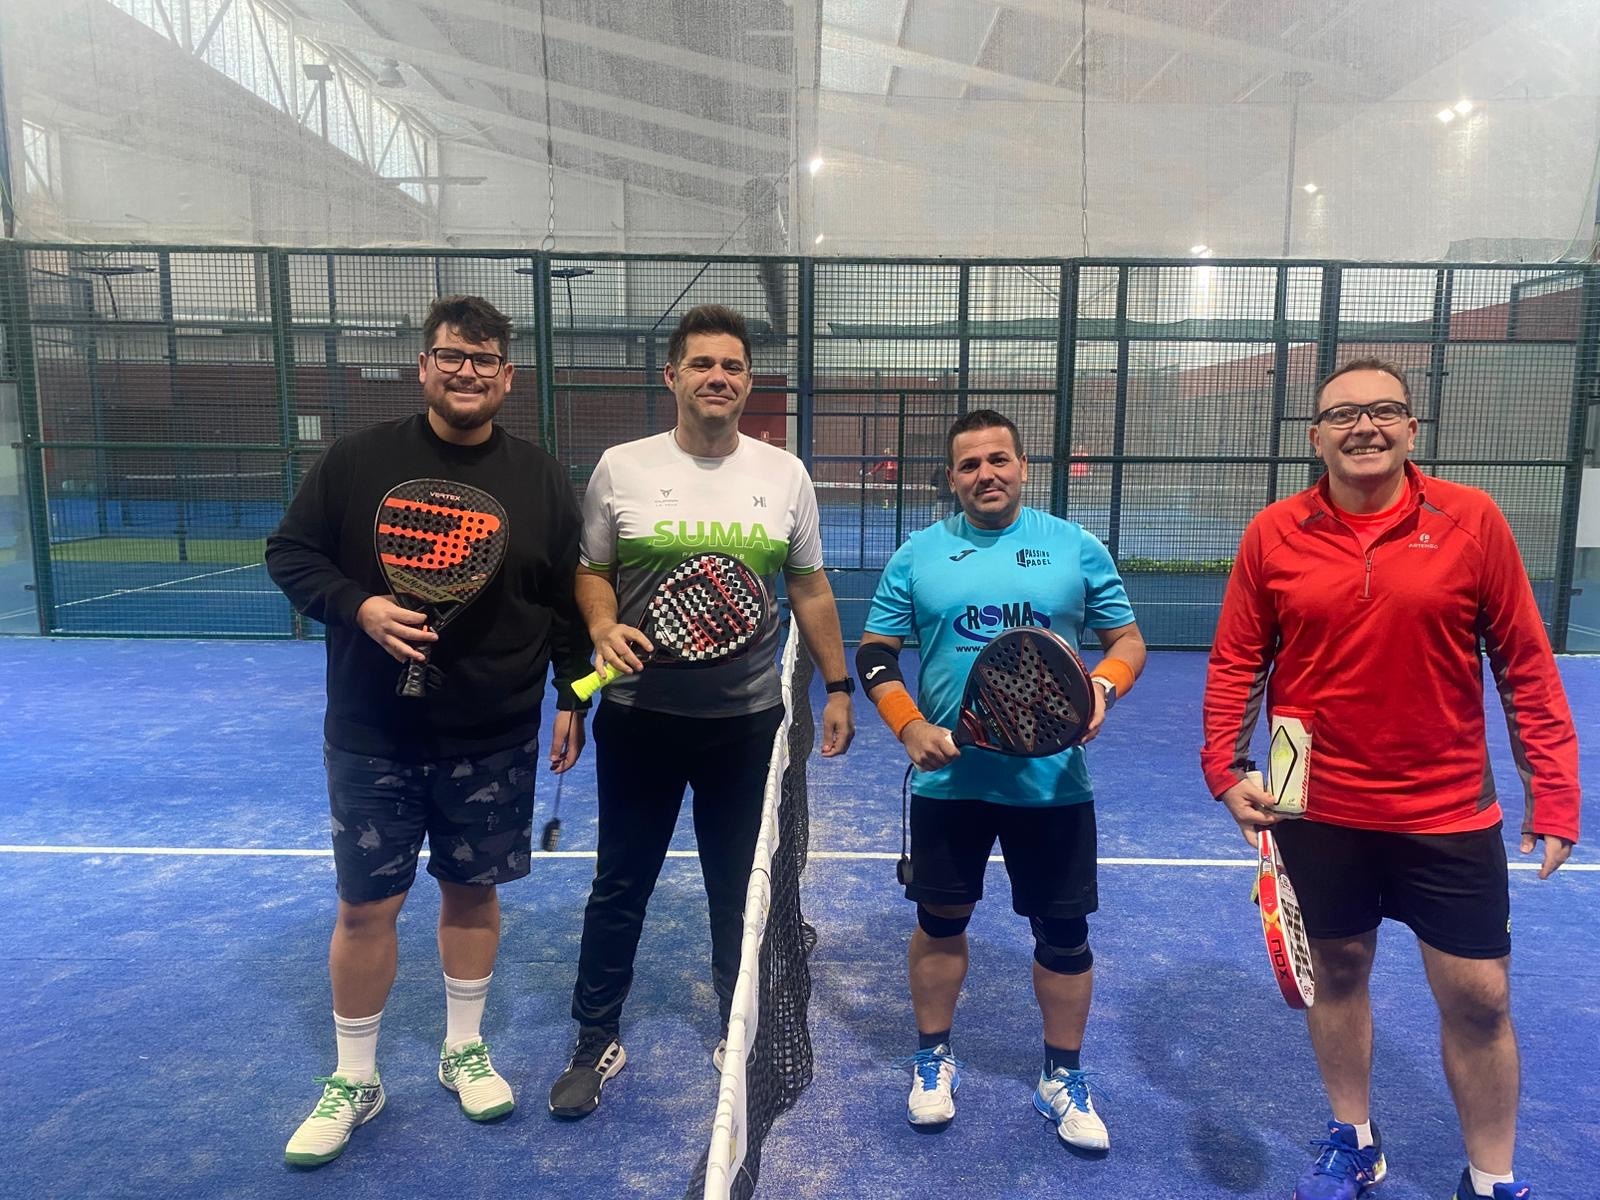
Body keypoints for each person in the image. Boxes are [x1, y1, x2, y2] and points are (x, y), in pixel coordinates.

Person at [1200, 359, 1581, 1200]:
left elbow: (1524, 660)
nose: (1364, 427)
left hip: (1445, 804)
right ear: (1316, 437)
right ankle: (1355, 1139)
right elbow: (1237, 660)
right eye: (1344, 415)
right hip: (1308, 795)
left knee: (1481, 997)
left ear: (1412, 428)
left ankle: (1490, 1178)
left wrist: (1554, 790)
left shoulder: (1472, 520)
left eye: (1383, 411)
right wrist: (1225, 768)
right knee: (1337, 971)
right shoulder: (1273, 532)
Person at [266, 295, 592, 1165]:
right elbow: (290, 554)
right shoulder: (356, 461)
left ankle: (462, 1049)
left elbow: (564, 600)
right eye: (451, 355)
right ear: (424, 366)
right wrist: (359, 606)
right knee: (365, 907)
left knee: (472, 893)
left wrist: (574, 696)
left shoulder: (539, 477)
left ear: (507, 377)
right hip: (372, 732)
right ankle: (355, 1078)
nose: (466, 372)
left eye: (484, 360)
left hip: (493, 733)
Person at [548, 304, 857, 1118]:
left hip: (745, 725)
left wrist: (837, 685)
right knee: (620, 883)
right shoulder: (621, 467)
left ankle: (737, 1027)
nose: (718, 377)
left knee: (738, 887)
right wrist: (600, 628)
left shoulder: (784, 475)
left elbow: (808, 585)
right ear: (673, 376)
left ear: (748, 383)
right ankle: (594, 1036)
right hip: (638, 718)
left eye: (733, 367)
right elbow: (591, 570)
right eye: (702, 364)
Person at [855, 408, 1146, 1148]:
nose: (985, 474)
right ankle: (932, 1059)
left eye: (998, 460)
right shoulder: (918, 555)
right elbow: (877, 653)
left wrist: (1103, 689)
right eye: (969, 465)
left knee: (1064, 934)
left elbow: (1126, 640)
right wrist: (908, 725)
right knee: (940, 921)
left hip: (1053, 785)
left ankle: (1062, 1075)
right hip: (950, 783)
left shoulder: (1074, 547)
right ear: (951, 479)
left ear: (1022, 466)